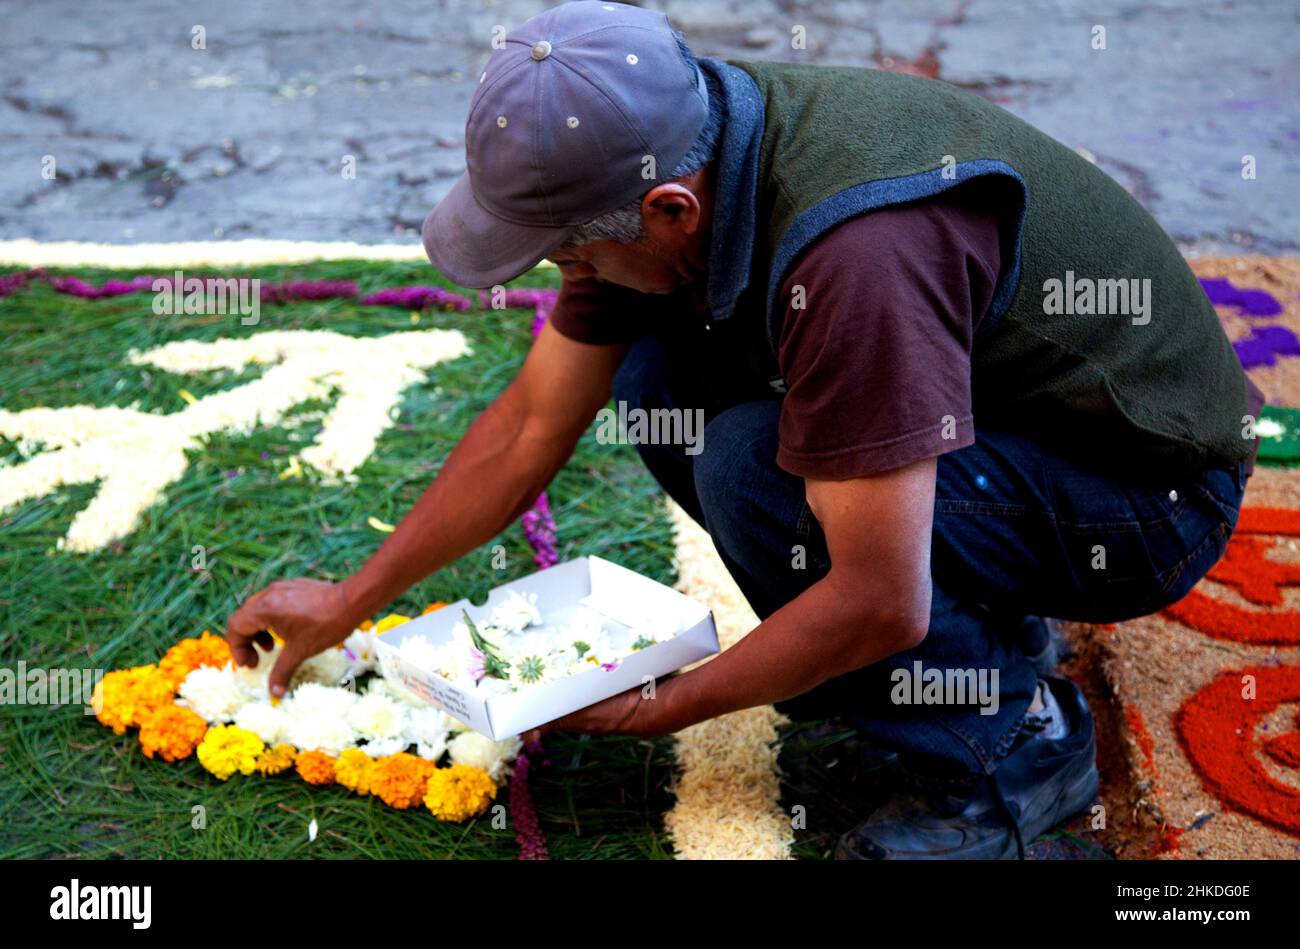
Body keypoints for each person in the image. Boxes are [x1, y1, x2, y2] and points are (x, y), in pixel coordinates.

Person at [225, 1, 1262, 859]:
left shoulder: (858, 254)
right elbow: (532, 421)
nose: (562, 279)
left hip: (1142, 493)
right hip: (1005, 424)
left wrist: (668, 705)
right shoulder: (684, 131)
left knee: (756, 469)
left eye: (570, 258)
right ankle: (985, 646)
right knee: (658, 372)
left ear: (672, 208)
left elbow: (875, 602)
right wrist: (353, 602)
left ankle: (1005, 754)